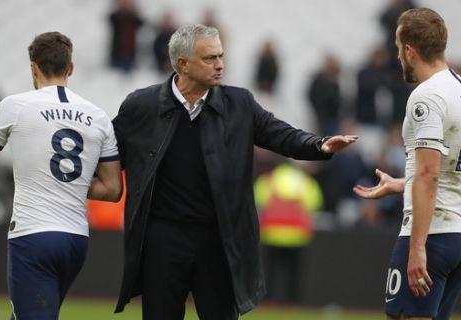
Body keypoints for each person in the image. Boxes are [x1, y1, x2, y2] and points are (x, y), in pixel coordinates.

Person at [112, 24, 357, 319]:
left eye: (221, 56)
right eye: (210, 58)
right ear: (183, 64)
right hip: (162, 238)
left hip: (219, 238)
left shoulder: (239, 103)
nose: (220, 65)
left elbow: (282, 135)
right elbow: (108, 152)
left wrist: (318, 145)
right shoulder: (142, 105)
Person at [0, 32, 122, 319]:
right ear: (70, 68)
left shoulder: (15, 106)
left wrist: (41, 178)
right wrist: (69, 184)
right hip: (76, 240)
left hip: (33, 235)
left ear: (33, 68)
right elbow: (112, 189)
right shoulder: (98, 116)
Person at [354, 8, 461, 320]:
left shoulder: (426, 97)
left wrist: (417, 248)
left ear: (410, 50)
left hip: (432, 235)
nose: (398, 55)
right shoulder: (458, 88)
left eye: (398, 47)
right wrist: (401, 184)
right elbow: (450, 169)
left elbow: (428, 174)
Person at [108, 0, 144, 72]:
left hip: (130, 54)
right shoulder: (115, 17)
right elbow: (113, 19)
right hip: (117, 54)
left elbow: (141, 23)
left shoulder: (133, 18)